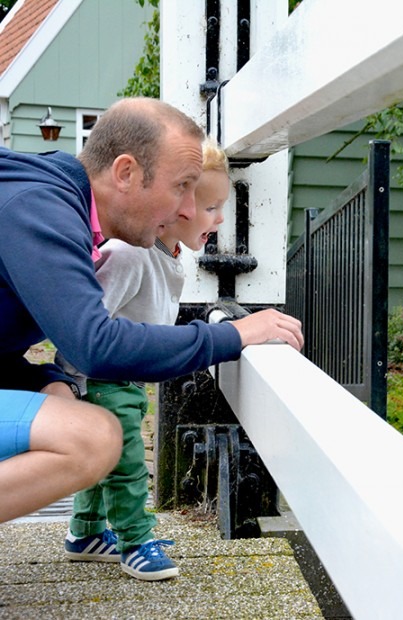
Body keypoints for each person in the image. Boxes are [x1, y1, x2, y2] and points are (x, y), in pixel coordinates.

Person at [0, 97, 304, 526]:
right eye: (182, 185)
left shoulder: (55, 201)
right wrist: (233, 335)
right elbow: (96, 346)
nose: (186, 209)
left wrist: (44, 380)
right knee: (93, 438)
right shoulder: (39, 209)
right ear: (126, 173)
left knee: (64, 404)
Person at [59, 138, 232, 581]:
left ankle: (86, 533)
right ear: (176, 205)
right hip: (103, 379)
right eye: (211, 207)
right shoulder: (129, 255)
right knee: (128, 463)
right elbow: (86, 324)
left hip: (128, 380)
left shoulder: (170, 255)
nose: (220, 218)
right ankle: (136, 539)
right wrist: (72, 384)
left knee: (110, 462)